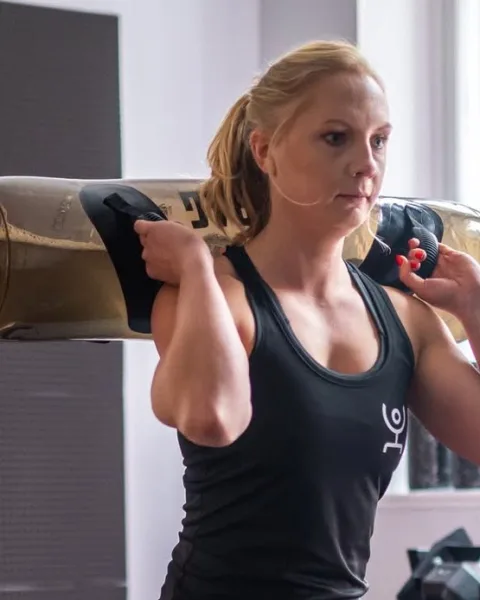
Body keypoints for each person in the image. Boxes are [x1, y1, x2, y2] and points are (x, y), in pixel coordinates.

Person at [134, 40, 480, 600]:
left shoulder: (405, 319)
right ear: (265, 150)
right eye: (336, 137)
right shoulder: (214, 295)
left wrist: (476, 312)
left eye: (379, 140)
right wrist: (196, 266)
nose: (367, 164)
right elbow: (211, 418)